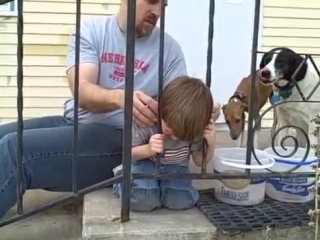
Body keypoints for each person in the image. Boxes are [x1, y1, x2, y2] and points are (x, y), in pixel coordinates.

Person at [0, 0, 220, 220]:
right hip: (75, 121)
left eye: (163, 4)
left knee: (13, 150)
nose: (157, 10)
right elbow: (82, 91)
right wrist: (120, 98)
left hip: (125, 138)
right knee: (4, 136)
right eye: (152, 1)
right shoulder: (91, 31)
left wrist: (204, 111)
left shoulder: (170, 50)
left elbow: (180, 106)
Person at [113, 77, 217, 211]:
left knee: (181, 201)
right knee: (142, 200)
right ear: (162, 111)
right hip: (146, 165)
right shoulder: (148, 123)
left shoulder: (194, 127)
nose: (173, 137)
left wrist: (211, 144)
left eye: (180, 135)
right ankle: (121, 182)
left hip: (176, 168)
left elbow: (199, 161)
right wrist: (149, 149)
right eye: (169, 128)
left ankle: (161, 189)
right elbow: (129, 153)